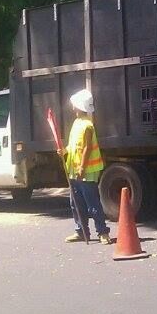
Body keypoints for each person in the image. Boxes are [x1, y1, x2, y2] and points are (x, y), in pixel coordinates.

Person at [59, 88, 111, 245]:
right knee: (76, 203)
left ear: (78, 106)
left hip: (86, 171)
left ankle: (102, 232)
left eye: (74, 104)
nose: (72, 106)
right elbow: (74, 145)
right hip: (74, 170)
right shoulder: (76, 123)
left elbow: (87, 148)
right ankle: (81, 231)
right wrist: (64, 151)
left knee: (92, 203)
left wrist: (82, 167)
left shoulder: (87, 125)